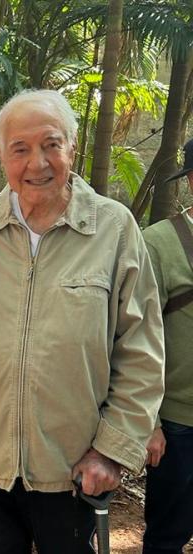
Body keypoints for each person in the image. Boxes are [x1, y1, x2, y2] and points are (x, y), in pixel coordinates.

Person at [0, 89, 164, 553]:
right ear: (2, 158)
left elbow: (141, 350)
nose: (37, 162)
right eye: (20, 149)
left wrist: (111, 450)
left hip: (74, 469)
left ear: (72, 149)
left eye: (51, 145)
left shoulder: (114, 229)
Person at [142, 137, 193, 554]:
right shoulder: (159, 242)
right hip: (179, 423)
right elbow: (138, 336)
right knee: (167, 537)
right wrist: (149, 422)